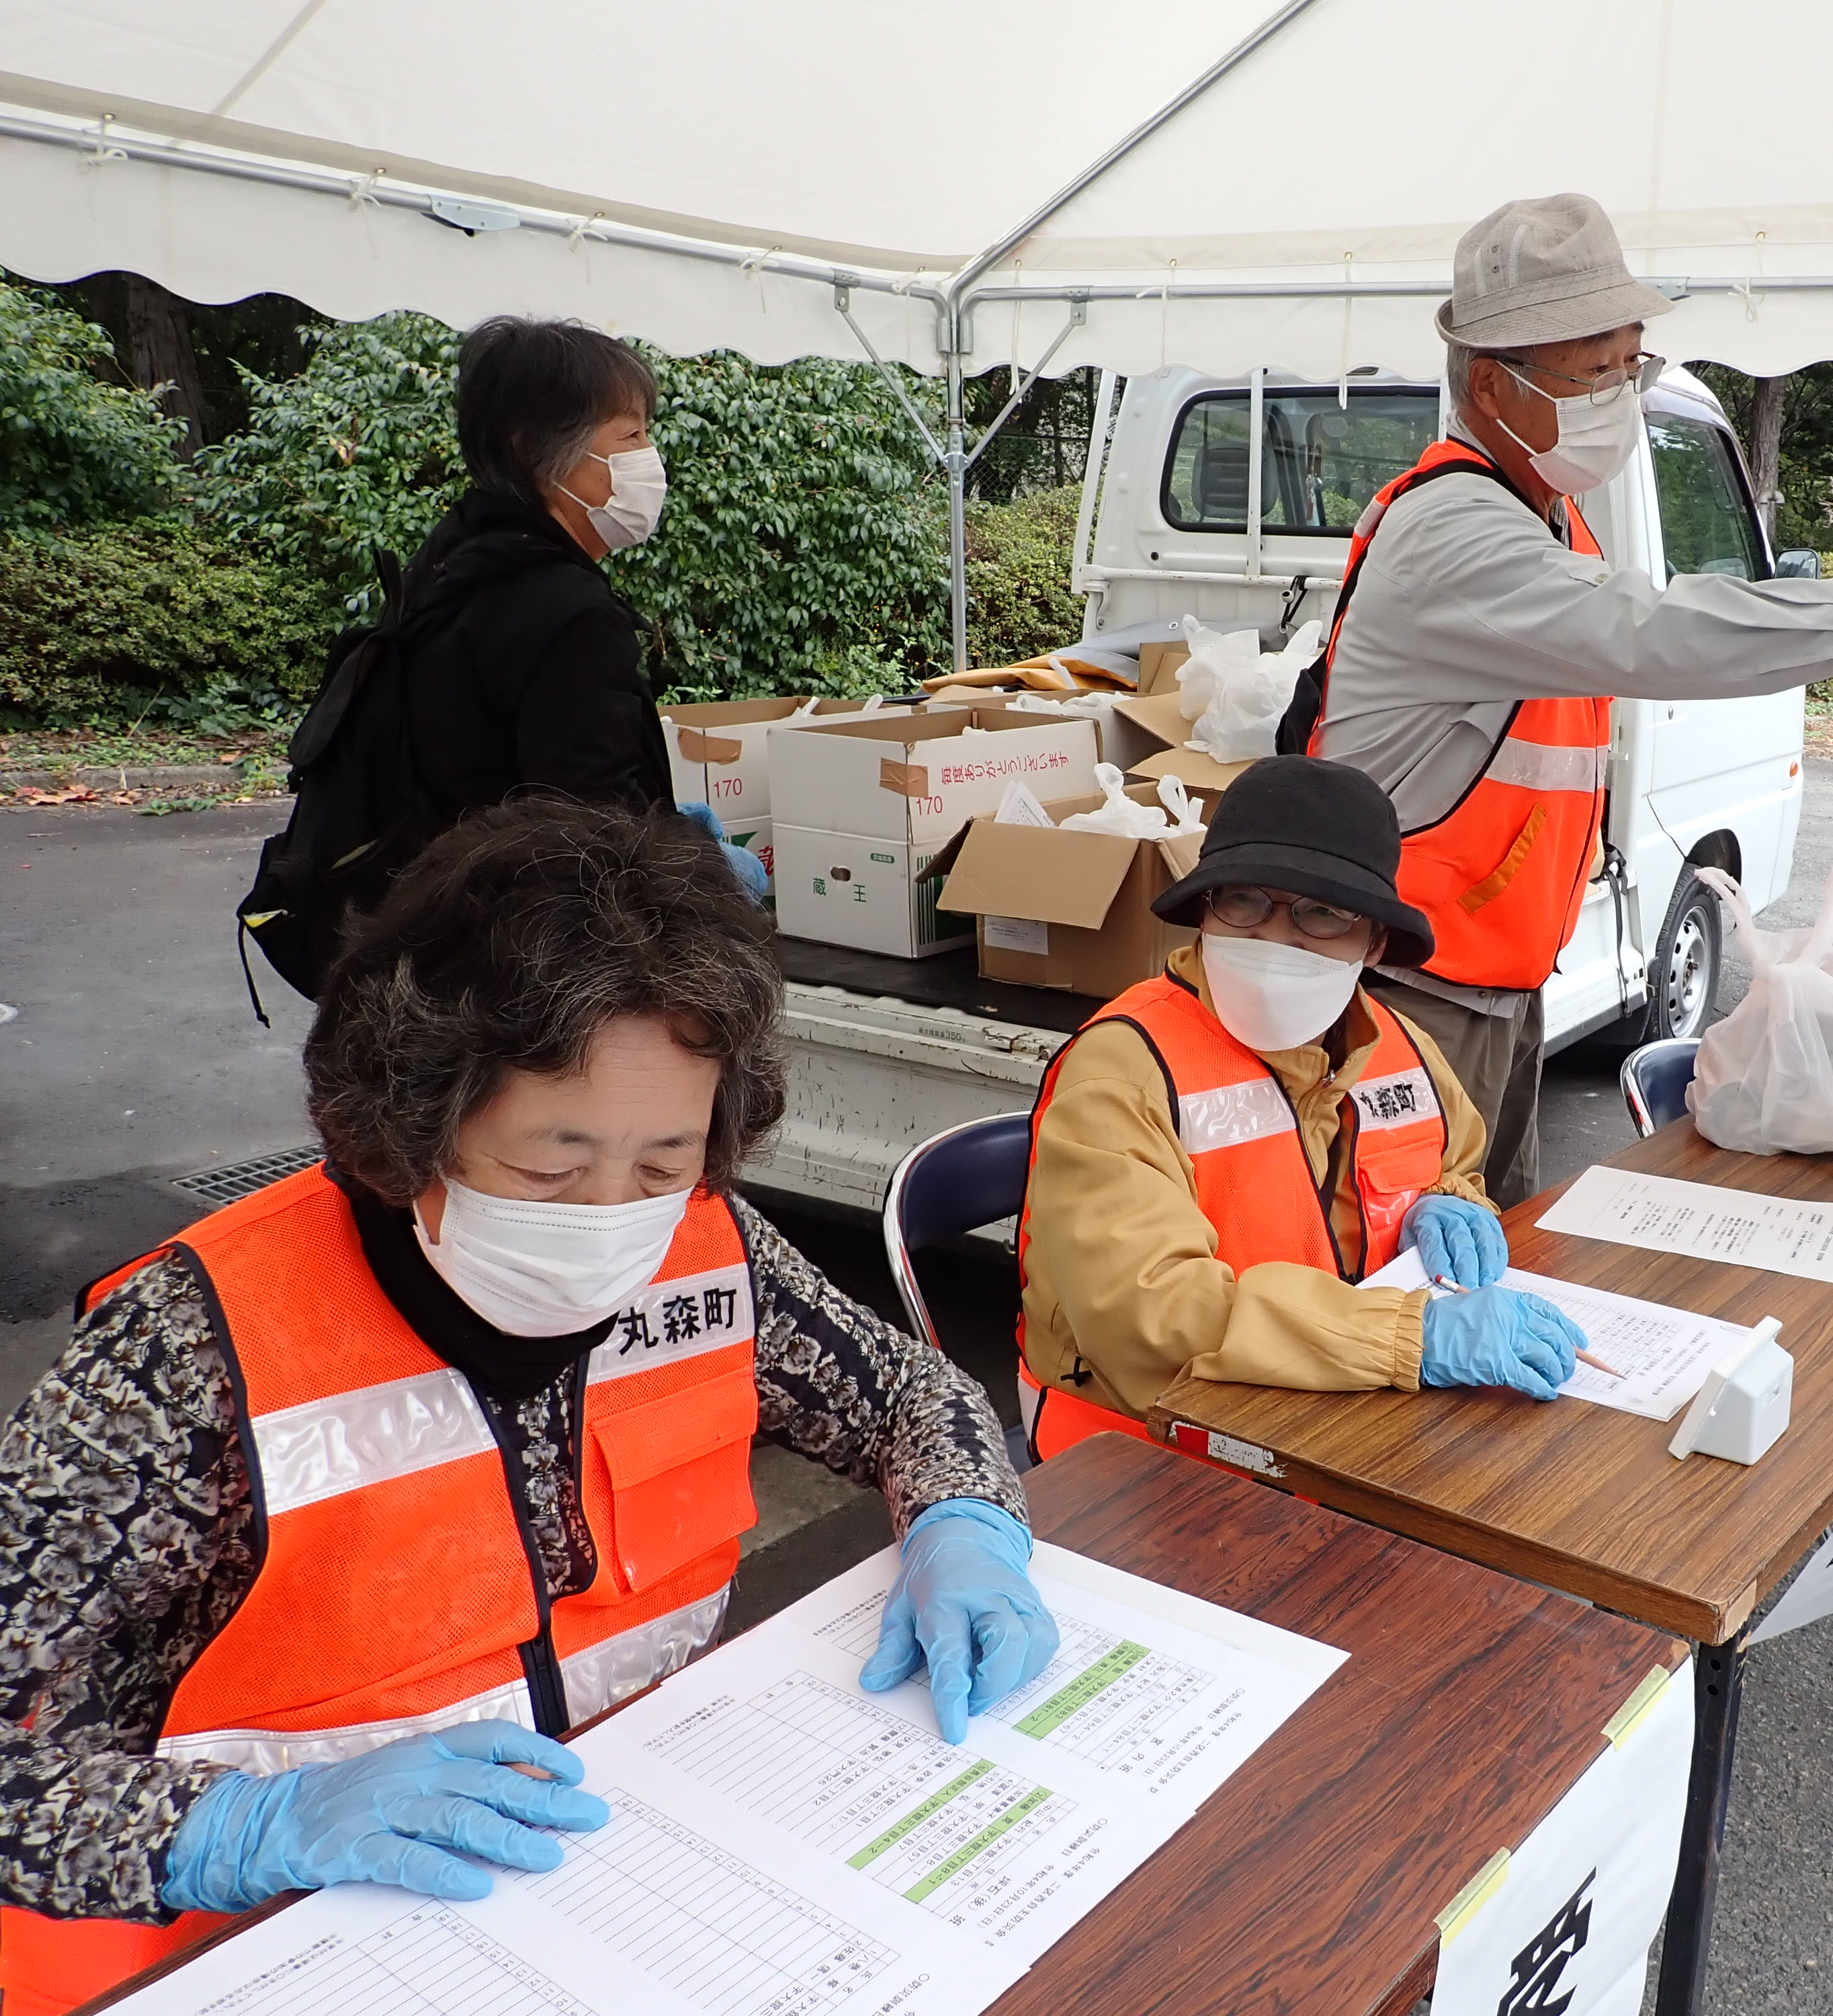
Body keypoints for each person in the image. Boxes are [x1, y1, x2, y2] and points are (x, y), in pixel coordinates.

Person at [0, 802, 1050, 2015]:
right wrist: (238, 1828)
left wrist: (967, 1524)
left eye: (663, 1161)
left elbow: (909, 1394)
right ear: (411, 1128)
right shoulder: (189, 1355)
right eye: (552, 1170)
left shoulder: (713, 1253)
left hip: (648, 1881)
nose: (616, 1215)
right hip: (276, 1941)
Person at [1287, 192, 1833, 1202]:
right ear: (1492, 384)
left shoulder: (1543, 514)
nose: (1624, 391)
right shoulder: (1458, 535)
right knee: (1398, 1288)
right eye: (1598, 369)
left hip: (1489, 982)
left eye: (1633, 362)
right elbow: (1656, 631)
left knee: (1483, 1258)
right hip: (1410, 993)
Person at [1017, 757, 1592, 1456]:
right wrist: (1412, 1338)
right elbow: (1148, 1315)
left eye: (1323, 913)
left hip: (1342, 1417)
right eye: (1245, 902)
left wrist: (1451, 1199)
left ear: (1374, 941)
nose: (1275, 936)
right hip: (1148, 1451)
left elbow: (1455, 1159)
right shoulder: (1121, 1073)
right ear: (1204, 907)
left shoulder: (1400, 1046)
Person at [396, 317, 765, 894]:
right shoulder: (566, 613)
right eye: (630, 438)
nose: (651, 458)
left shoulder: (452, 560)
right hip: (533, 945)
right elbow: (596, 835)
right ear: (535, 451)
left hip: (442, 912)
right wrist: (694, 863)